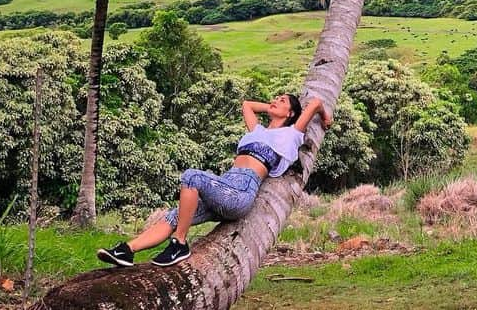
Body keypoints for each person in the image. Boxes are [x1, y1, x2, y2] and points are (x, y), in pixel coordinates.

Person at [97, 93, 333, 268]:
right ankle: (128, 250)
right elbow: (247, 104)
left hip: (241, 192)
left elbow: (315, 104)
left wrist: (325, 118)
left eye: (282, 101)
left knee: (192, 176)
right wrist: (273, 107)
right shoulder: (256, 131)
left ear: (291, 114)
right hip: (225, 185)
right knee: (173, 215)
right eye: (275, 97)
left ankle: (179, 243)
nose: (275, 100)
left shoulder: (291, 134)